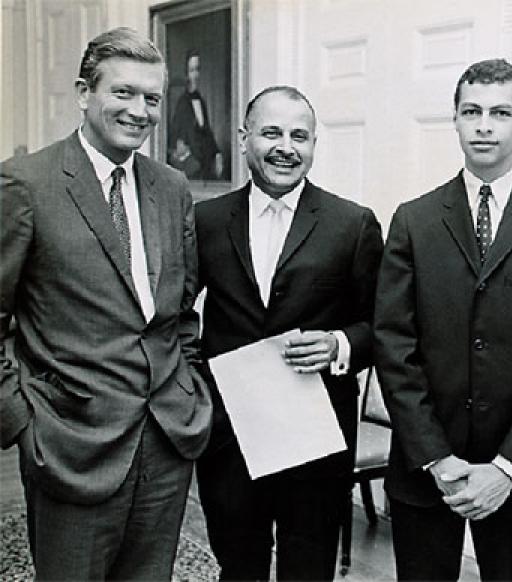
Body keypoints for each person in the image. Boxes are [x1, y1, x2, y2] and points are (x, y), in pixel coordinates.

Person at [0, 27, 212, 580]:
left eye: (151, 98)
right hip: (69, 444)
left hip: (167, 439)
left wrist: (186, 385)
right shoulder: (26, 184)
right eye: (123, 92)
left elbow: (181, 310)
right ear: (83, 93)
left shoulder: (171, 187)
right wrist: (21, 421)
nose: (139, 110)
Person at [374, 58, 512, 581]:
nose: (484, 125)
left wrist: (507, 468)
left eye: (500, 112)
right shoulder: (414, 220)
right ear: (454, 118)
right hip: (427, 473)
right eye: (471, 111)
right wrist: (435, 458)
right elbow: (393, 344)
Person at [194, 85, 383, 581]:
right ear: (245, 138)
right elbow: (174, 315)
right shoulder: (206, 221)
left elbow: (382, 325)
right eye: (272, 132)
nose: (286, 146)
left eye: (300, 136)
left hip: (315, 437)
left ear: (315, 144)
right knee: (238, 565)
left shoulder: (352, 224)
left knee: (309, 567)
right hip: (228, 437)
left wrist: (339, 345)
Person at [169, 49, 223, 180]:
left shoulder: (201, 101)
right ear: (186, 74)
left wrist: (217, 153)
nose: (196, 75)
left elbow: (207, 131)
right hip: (192, 166)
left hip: (206, 163)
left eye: (198, 70)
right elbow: (177, 138)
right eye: (192, 70)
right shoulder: (182, 103)